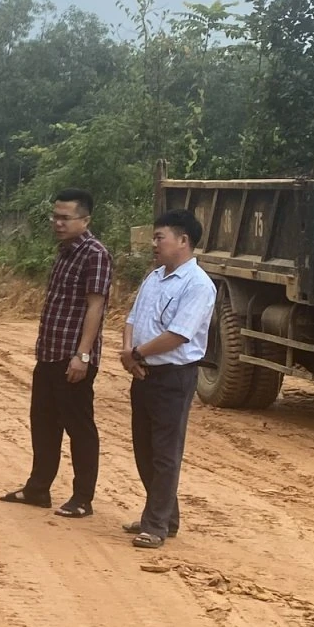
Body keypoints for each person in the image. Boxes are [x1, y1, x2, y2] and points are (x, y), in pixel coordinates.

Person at [1, 189, 112, 518]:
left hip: (72, 358)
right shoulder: (65, 251)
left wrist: (83, 356)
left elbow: (95, 308)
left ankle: (82, 498)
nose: (57, 223)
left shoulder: (95, 254)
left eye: (65, 218)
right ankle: (38, 489)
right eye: (55, 216)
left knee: (79, 428)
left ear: (85, 220)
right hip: (49, 354)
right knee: (43, 423)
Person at [120, 208, 217, 549]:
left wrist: (137, 355)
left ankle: (156, 525)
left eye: (160, 238)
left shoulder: (198, 285)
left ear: (183, 241)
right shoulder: (154, 277)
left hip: (173, 376)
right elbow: (132, 318)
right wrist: (130, 354)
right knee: (145, 449)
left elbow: (179, 334)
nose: (154, 244)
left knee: (165, 452)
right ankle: (164, 515)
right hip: (143, 372)